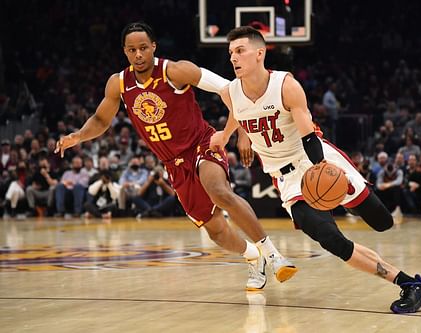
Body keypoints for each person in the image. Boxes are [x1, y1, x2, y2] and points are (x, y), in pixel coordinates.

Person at [55, 22, 296, 290]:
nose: (138, 55)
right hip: (173, 163)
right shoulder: (119, 84)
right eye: (132, 50)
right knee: (215, 230)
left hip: (201, 143)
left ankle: (273, 255)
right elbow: (101, 119)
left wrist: (241, 132)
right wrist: (78, 136)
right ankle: (253, 256)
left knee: (218, 190)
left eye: (143, 48)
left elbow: (230, 89)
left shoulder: (176, 71)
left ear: (153, 47)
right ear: (125, 51)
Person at [210, 26, 421, 313]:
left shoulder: (286, 86)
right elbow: (237, 113)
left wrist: (321, 172)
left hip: (317, 161)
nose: (233, 58)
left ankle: (350, 201)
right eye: (230, 53)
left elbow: (308, 136)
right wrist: (227, 134)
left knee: (382, 222)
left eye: (239, 51)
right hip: (287, 179)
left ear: (260, 53)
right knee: (331, 240)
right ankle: (410, 285)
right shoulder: (229, 92)